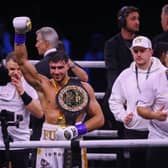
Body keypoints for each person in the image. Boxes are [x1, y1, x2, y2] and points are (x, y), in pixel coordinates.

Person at [13, 16, 104, 168]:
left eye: (60, 68)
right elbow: (21, 61)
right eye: (53, 68)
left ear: (68, 66)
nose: (56, 72)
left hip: (73, 140)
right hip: (48, 141)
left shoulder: (83, 88)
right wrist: (20, 34)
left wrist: (76, 129)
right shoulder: (44, 85)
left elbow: (99, 118)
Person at [31, 26, 89, 167]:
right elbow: (85, 78)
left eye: (38, 41)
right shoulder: (68, 64)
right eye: (54, 68)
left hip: (49, 127)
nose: (36, 44)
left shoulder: (38, 68)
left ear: (46, 42)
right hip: (62, 129)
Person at [109, 35, 166, 168]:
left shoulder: (164, 73)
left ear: (150, 52)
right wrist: (122, 115)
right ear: (131, 52)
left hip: (160, 132)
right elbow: (114, 100)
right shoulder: (125, 75)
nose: (139, 54)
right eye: (135, 51)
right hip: (134, 130)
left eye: (142, 50)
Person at [0, 52, 43, 168]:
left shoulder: (27, 83)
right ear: (5, 68)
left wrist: (22, 92)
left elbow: (39, 113)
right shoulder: (1, 81)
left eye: (19, 69)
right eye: (12, 69)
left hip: (20, 142)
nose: (16, 73)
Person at [103, 6, 140, 131]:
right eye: (133, 19)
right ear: (123, 22)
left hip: (141, 94)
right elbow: (112, 73)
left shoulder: (142, 42)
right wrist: (123, 96)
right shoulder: (112, 44)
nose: (137, 22)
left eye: (138, 19)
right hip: (120, 92)